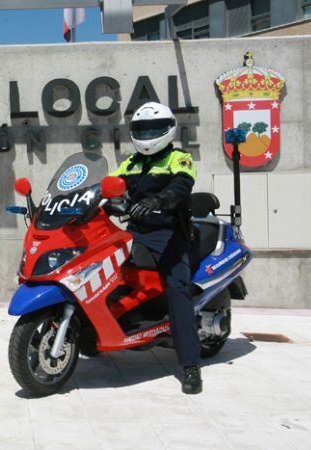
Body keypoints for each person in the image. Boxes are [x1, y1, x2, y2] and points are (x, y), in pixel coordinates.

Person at [110, 101, 202, 395]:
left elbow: (181, 186)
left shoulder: (179, 158)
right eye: (142, 129)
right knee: (107, 275)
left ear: (168, 129)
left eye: (154, 128)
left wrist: (159, 201)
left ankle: (190, 365)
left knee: (177, 289)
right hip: (136, 232)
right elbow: (107, 185)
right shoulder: (130, 163)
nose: (148, 134)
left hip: (169, 233)